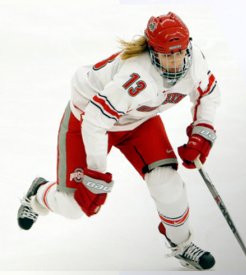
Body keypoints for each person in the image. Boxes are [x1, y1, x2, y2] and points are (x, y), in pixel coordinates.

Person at [17, 12, 219, 270]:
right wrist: (96, 174)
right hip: (87, 119)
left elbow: (209, 93)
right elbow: (95, 121)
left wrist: (203, 130)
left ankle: (180, 244)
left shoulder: (195, 62)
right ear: (153, 52)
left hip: (139, 120)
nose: (176, 61)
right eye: (168, 55)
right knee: (76, 206)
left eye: (180, 52)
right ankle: (38, 194)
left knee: (167, 184)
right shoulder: (136, 78)